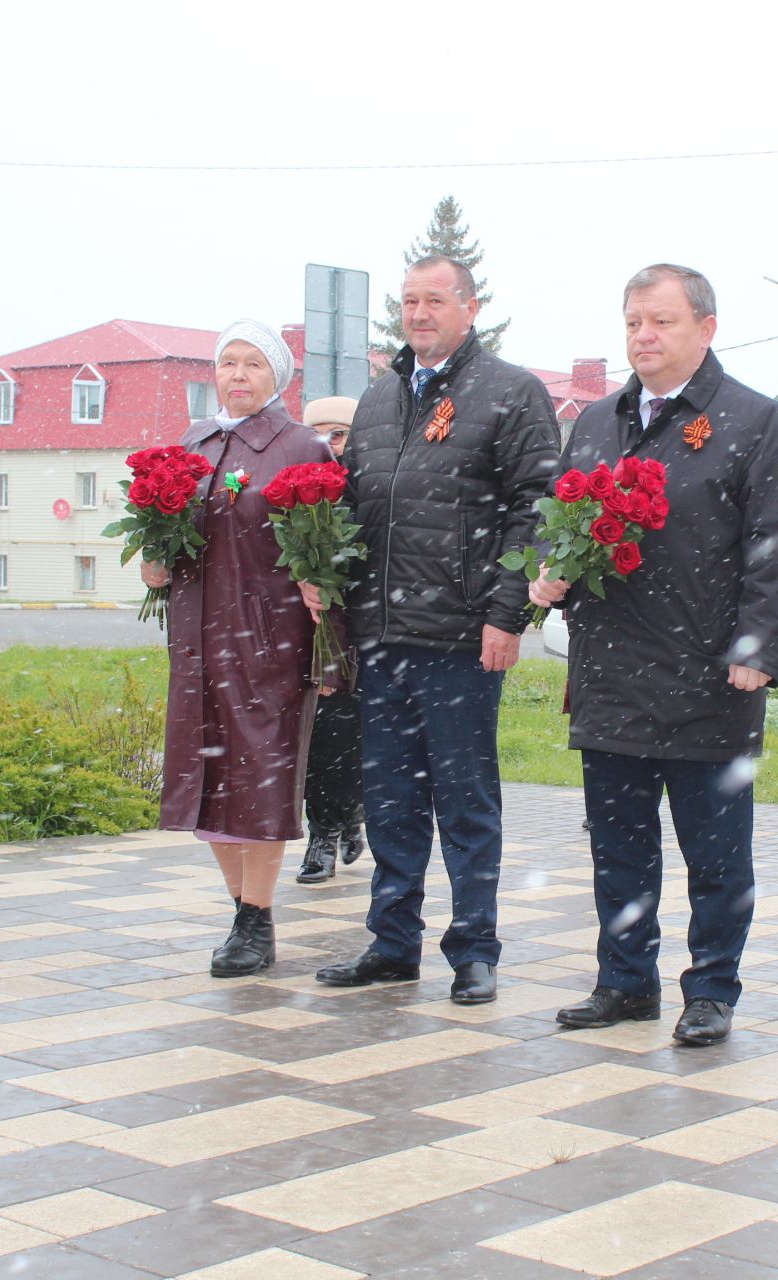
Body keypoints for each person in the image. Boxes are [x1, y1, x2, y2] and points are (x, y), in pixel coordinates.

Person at [530, 264, 778, 1047]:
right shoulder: (598, 421)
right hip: (612, 668)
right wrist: (547, 566)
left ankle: (712, 988)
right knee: (619, 847)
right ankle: (624, 980)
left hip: (708, 675)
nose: (643, 338)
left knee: (715, 853)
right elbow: (558, 516)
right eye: (632, 323)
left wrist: (757, 645)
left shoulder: (753, 420)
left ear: (706, 329)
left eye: (660, 322)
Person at [310, 255, 559, 1006]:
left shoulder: (510, 394)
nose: (420, 314)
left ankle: (474, 949)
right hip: (381, 638)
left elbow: (538, 508)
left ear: (469, 308)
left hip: (460, 638)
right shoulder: (381, 398)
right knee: (388, 799)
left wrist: (507, 613)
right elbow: (355, 504)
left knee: (465, 801)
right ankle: (392, 943)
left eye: (435, 301)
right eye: (409, 301)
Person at [148, 319, 340, 978]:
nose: (237, 375)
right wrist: (154, 554)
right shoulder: (194, 443)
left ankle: (256, 920)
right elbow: (171, 538)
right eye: (228, 362)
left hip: (271, 641)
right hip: (198, 639)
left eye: (252, 363)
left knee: (260, 779)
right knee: (207, 779)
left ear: (277, 376)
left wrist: (322, 585)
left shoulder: (301, 447)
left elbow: (331, 543)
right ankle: (241, 909)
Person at [294, 395, 366, 885]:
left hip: (364, 628)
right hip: (310, 629)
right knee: (320, 739)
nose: (328, 445)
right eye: (317, 434)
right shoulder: (293, 491)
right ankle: (322, 836)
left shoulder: (371, 485)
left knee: (354, 736)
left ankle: (352, 815)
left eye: (337, 434)